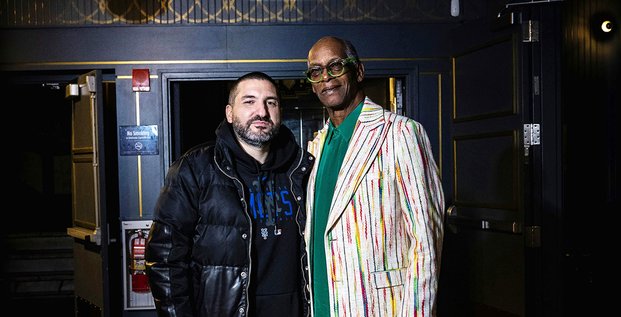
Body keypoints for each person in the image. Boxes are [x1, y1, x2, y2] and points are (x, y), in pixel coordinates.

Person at [145, 71, 314, 317]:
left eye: (271, 102)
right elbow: (165, 258)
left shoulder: (303, 168)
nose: (262, 112)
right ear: (229, 113)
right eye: (249, 101)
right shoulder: (195, 168)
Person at [304, 36, 446, 317]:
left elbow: (426, 244)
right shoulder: (318, 145)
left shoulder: (400, 134)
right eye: (316, 72)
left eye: (335, 66)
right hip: (324, 307)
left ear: (357, 71)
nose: (326, 78)